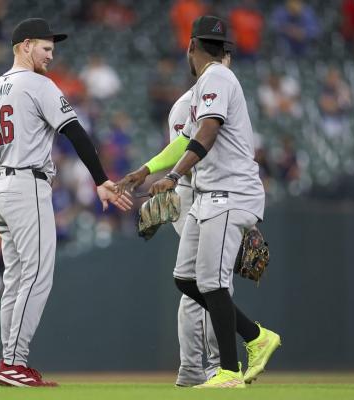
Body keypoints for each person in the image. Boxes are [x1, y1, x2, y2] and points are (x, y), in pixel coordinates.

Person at [0, 18, 132, 387]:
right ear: (24, 45)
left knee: (17, 279)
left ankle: (10, 360)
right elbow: (75, 132)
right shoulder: (38, 84)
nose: (51, 55)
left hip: (2, 188)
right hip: (26, 187)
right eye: (45, 47)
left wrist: (8, 158)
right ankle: (13, 362)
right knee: (37, 276)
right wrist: (101, 180)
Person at [147, 16, 281, 388]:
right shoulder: (206, 84)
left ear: (191, 46)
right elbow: (185, 140)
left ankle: (229, 371)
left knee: (211, 282)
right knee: (186, 280)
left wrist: (173, 176)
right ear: (225, 50)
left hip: (228, 193)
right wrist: (143, 171)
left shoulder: (217, 77)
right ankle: (256, 337)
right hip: (209, 197)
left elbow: (208, 131)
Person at [117, 48, 233, 386]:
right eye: (220, 58)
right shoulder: (187, 104)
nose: (224, 65)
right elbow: (185, 151)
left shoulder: (214, 96)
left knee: (203, 283)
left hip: (206, 195)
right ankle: (207, 365)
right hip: (192, 194)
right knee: (210, 284)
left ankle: (195, 367)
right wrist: (152, 172)